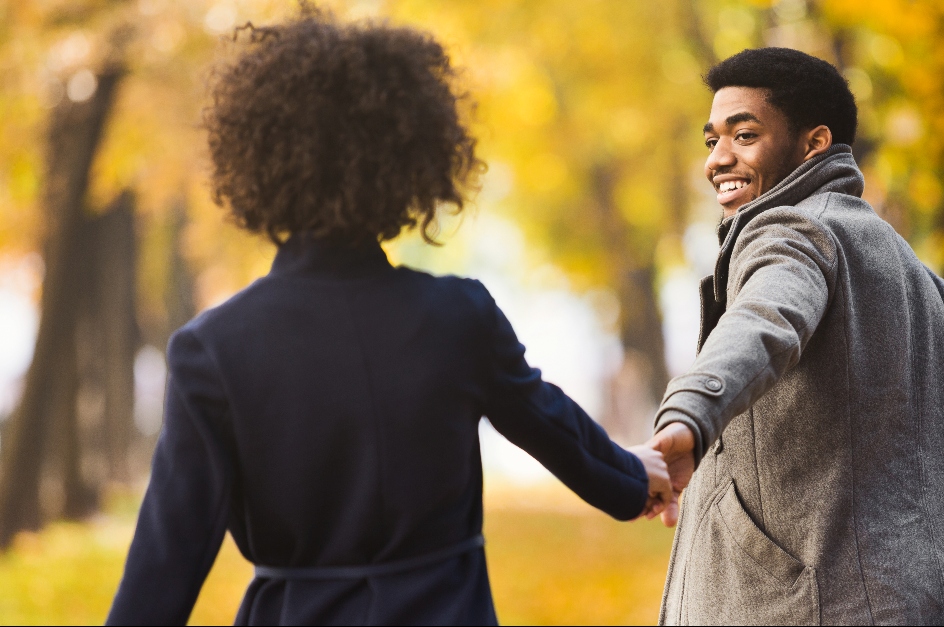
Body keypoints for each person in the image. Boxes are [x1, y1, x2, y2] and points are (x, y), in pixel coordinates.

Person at [106, 11, 670, 626]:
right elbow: (550, 425)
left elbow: (170, 553)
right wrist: (634, 479)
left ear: (257, 164)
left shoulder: (213, 350)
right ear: (411, 162)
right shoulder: (460, 315)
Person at [647, 48, 944, 625]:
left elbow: (767, 320)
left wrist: (692, 410)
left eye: (744, 135)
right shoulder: (925, 284)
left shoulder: (792, 231)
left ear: (814, 143)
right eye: (711, 141)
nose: (717, 160)